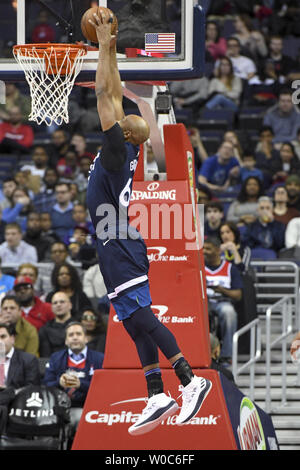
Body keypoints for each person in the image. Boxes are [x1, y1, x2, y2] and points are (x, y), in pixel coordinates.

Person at [86, 11, 212, 435]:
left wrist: (106, 45)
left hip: (116, 239)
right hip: (115, 238)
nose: (115, 118)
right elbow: (112, 95)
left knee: (139, 319)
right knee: (130, 318)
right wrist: (110, 50)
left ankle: (190, 382)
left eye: (120, 120)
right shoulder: (124, 150)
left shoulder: (117, 152)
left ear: (123, 134)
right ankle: (156, 393)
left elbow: (107, 92)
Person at [43, 322, 104, 437]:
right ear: (66, 340)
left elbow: (104, 388)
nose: (75, 337)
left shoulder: (99, 359)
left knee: (80, 419)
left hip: (87, 408)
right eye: (71, 335)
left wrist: (81, 385)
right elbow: (46, 385)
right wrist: (59, 383)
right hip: (58, 408)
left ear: (86, 338)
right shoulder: (56, 358)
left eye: (78, 334)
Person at [204, 237, 243, 364]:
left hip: (222, 302)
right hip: (204, 303)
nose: (204, 251)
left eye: (208, 249)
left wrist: (222, 290)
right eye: (203, 248)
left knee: (228, 312)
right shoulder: (199, 267)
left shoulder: (230, 268)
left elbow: (238, 295)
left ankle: (226, 355)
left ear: (217, 250)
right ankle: (202, 353)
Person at [0, 323, 40, 434]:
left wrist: (9, 393)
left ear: (12, 339)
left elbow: (32, 387)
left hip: (17, 403)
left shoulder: (28, 359)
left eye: (3, 337)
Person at [39, 291, 74, 358]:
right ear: (51, 308)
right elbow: (45, 356)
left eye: (62, 302)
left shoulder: (79, 327)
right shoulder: (44, 330)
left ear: (70, 305)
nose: (58, 305)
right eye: (55, 303)